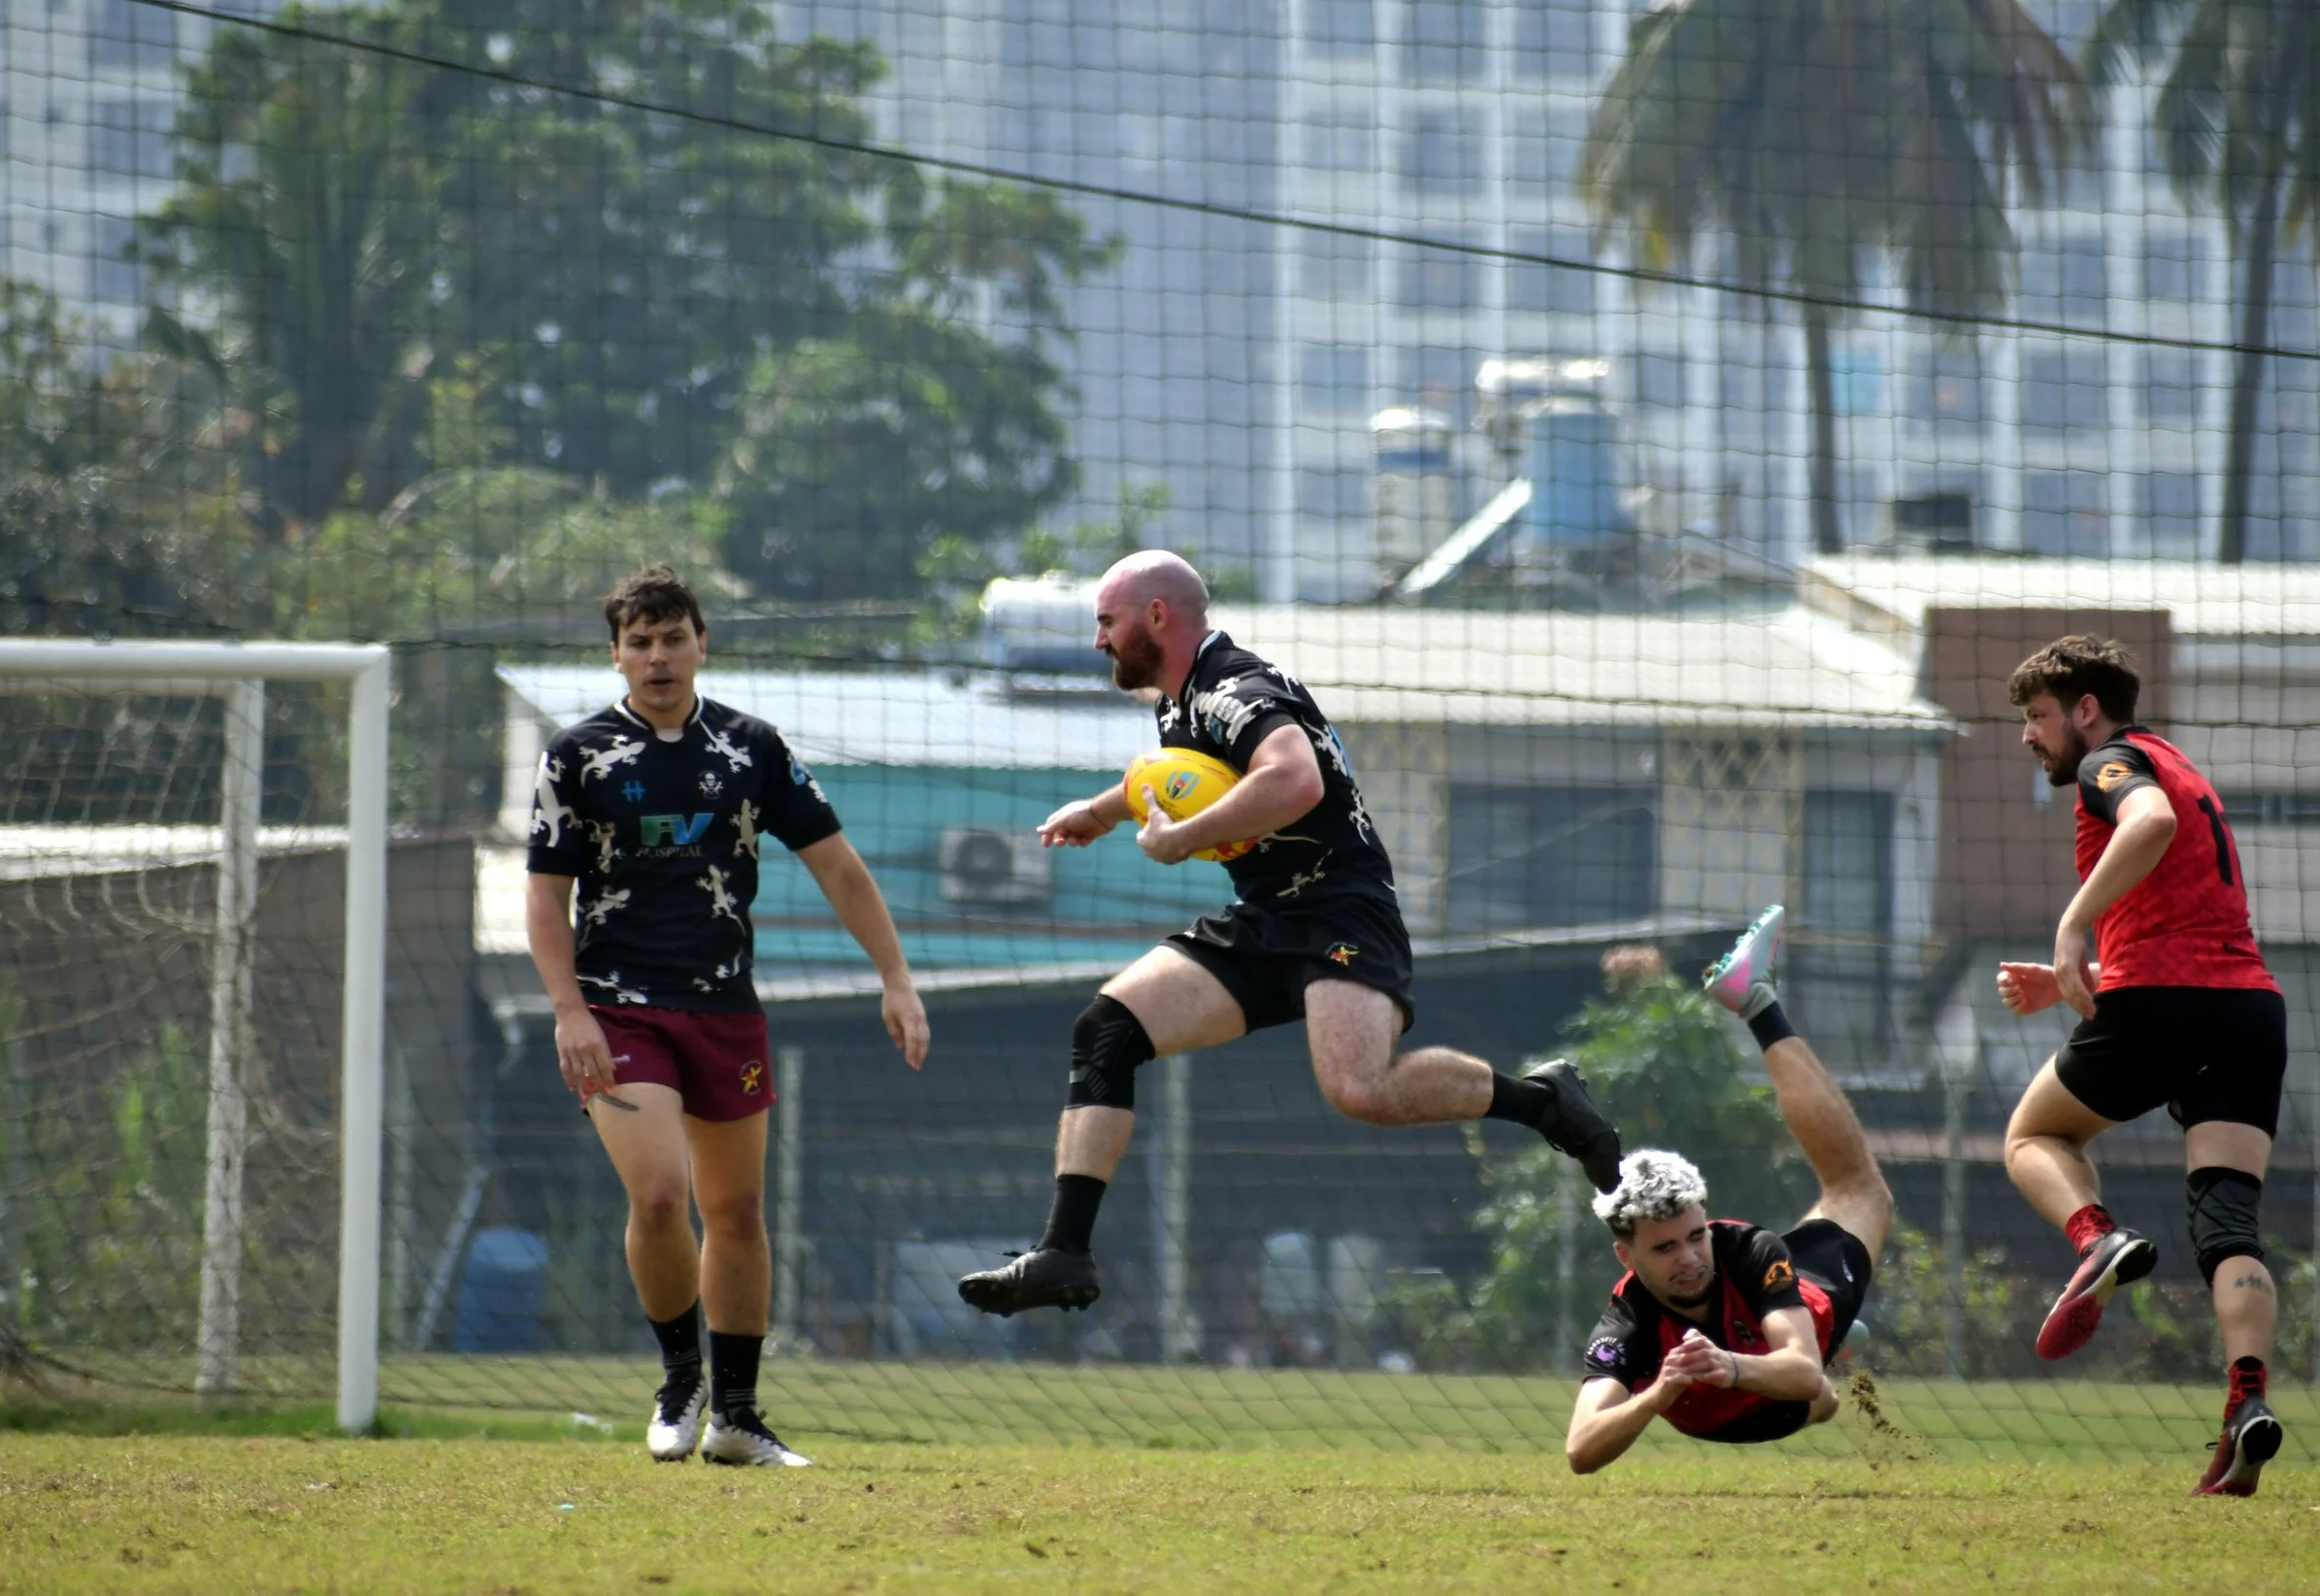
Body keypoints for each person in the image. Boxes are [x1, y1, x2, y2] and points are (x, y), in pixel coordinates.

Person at [957, 551, 1621, 1318]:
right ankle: (1063, 1252)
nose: (1099, 640)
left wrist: (1180, 841)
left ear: (1157, 617)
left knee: (1360, 1089)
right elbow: (1167, 773)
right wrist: (1104, 811)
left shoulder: (1237, 688)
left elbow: (1295, 778)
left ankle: (1544, 1101)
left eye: (1107, 622)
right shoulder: (1182, 700)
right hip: (1268, 915)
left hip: (1341, 910)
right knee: (1108, 1029)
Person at [525, 564, 930, 1466]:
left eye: (674, 638)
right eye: (640, 641)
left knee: (738, 1211)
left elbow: (840, 868)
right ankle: (679, 1377)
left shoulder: (754, 749)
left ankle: (738, 1418)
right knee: (661, 1194)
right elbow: (544, 899)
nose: (658, 656)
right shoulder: (576, 755)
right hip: (620, 1014)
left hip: (726, 1010)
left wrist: (895, 975)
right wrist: (568, 1011)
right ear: (616, 655)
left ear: (703, 644)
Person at [1997, 635, 2287, 1496]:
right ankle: (2248, 1403)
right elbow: (2179, 895)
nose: (2028, 736)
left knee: (2033, 1133)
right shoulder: (2179, 763)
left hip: (2164, 1000)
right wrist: (2071, 980)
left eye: (2039, 716)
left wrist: (2073, 924)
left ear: (2087, 711)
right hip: (2248, 1008)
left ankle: (2098, 1239)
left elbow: (2148, 825)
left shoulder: (2112, 763)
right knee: (2228, 1225)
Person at [1565, 906, 1893, 1470]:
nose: (1690, 1258)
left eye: (1695, 1236)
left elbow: (1800, 1372)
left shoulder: (1746, 1249)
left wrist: (1729, 1364)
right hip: (1737, 1412)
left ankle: (1832, 1336)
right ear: (1626, 1255)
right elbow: (1580, 1451)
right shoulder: (1630, 1319)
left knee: (1820, 1387)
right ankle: (1757, 1001)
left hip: (1791, 1375)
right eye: (1665, 1248)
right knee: (1856, 1188)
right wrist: (1660, 1390)